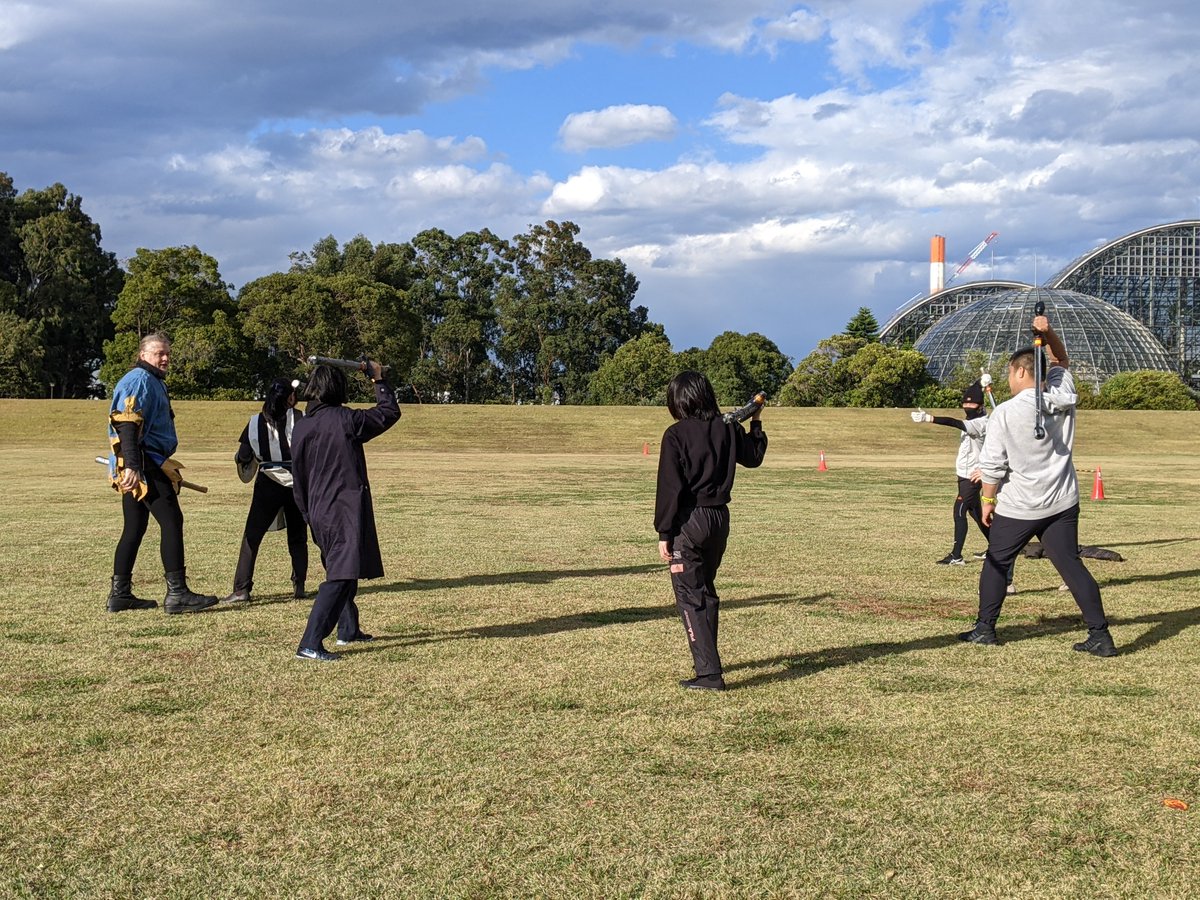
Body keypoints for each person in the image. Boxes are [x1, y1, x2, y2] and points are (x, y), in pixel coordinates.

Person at [958, 313, 1117, 657]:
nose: (1008, 379)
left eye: (1009, 373)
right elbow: (1061, 360)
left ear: (1019, 371)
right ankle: (1100, 635)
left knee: (997, 562)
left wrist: (987, 502)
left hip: (1020, 505)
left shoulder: (1003, 413)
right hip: (1062, 502)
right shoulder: (1062, 395)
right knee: (1070, 565)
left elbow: (992, 466)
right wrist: (1047, 332)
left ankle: (985, 629)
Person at [654, 371, 768, 691]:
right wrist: (756, 422)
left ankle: (709, 675)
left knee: (691, 597)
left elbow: (670, 488)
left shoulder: (675, 435)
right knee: (704, 591)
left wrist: (664, 533)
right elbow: (754, 457)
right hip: (719, 520)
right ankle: (707, 664)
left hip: (689, 523)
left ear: (679, 401)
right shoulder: (727, 426)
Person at [291, 361, 399, 661]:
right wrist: (378, 380)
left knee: (342, 568)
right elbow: (388, 413)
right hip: (342, 508)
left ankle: (348, 629)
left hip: (317, 510)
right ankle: (309, 643)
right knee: (340, 575)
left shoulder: (302, 426)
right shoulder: (345, 420)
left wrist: (306, 512)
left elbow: (298, 476)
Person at [106, 332, 219, 614]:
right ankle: (177, 593)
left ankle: (120, 595)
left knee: (134, 527)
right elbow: (126, 423)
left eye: (167, 353)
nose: (166, 358)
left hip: (144, 461)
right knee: (171, 521)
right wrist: (133, 466)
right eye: (159, 353)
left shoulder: (153, 380)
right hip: (145, 463)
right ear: (143, 355)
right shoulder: (139, 379)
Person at [224, 378, 310, 604]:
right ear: (290, 397)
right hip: (297, 482)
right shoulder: (301, 418)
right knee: (298, 536)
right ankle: (299, 585)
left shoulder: (255, 421)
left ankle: (241, 589)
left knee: (252, 537)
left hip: (267, 483)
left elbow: (244, 456)